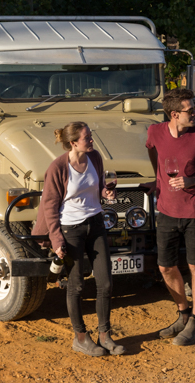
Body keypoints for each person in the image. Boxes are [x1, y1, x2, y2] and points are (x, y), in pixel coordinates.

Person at [31, 121, 124, 357]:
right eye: (87, 138)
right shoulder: (58, 168)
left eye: (91, 136)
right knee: (77, 285)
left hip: (95, 224)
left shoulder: (95, 158)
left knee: (105, 283)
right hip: (70, 228)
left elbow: (98, 187)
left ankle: (105, 335)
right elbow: (50, 206)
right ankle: (81, 337)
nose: (92, 140)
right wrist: (56, 239)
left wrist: (106, 192)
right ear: (73, 143)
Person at [146, 87, 195, 346]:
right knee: (165, 267)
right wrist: (157, 181)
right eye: (190, 111)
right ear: (174, 114)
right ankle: (183, 313)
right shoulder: (154, 132)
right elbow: (153, 154)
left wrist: (194, 180)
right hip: (167, 210)